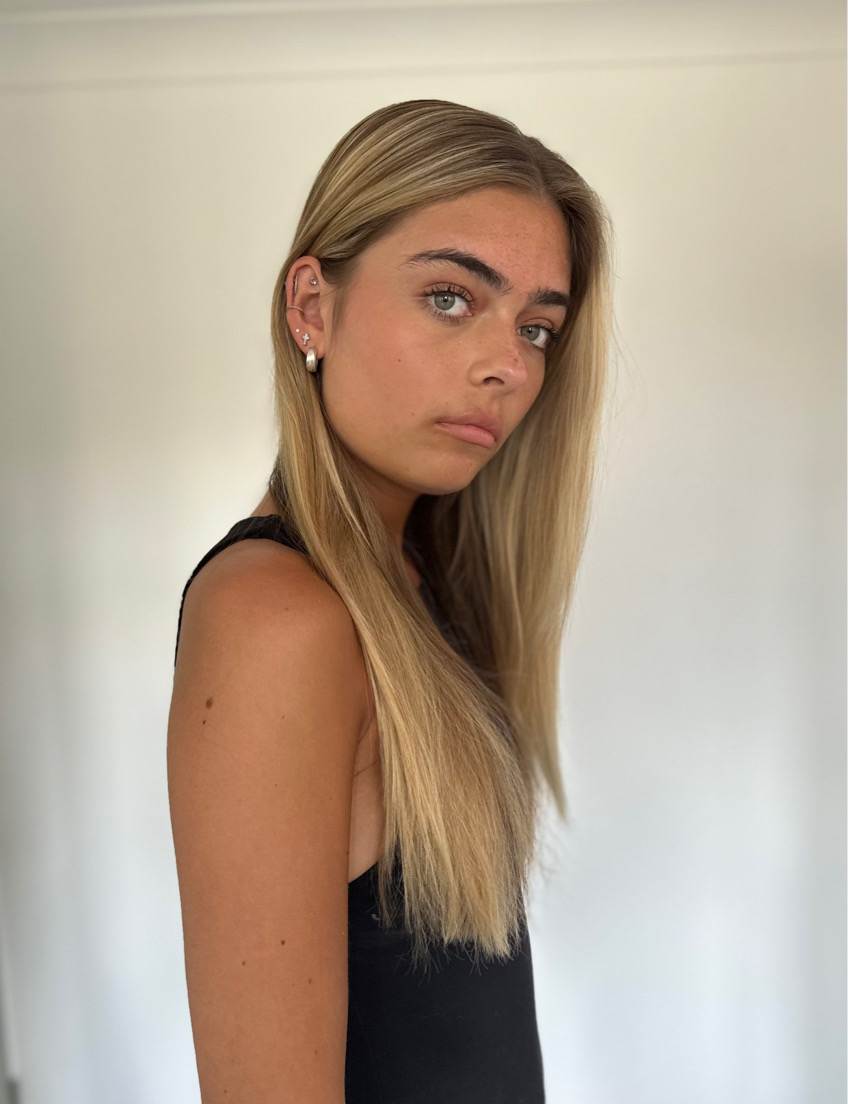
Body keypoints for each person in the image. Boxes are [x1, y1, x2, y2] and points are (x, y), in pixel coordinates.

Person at [167, 98, 613, 1104]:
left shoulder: (418, 585)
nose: (508, 364)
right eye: (451, 298)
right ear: (311, 307)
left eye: (537, 327)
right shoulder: (275, 618)